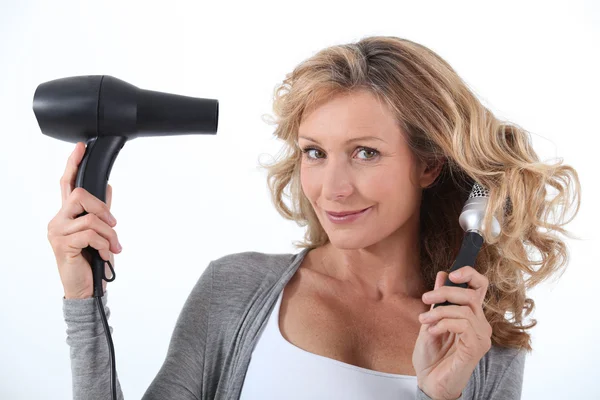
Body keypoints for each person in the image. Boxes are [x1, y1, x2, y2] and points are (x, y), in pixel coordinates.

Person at [48, 36, 581, 400]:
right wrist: (82, 300)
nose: (333, 189)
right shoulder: (234, 290)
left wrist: (441, 395)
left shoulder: (483, 347)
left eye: (366, 152)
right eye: (315, 152)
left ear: (428, 164)